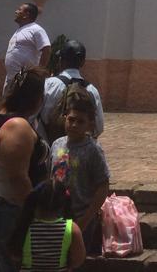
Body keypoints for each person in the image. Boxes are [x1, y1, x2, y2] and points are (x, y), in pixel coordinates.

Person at [0, 66, 50, 272]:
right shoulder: (17, 127)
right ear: (35, 98)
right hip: (5, 210)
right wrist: (37, 213)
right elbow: (18, 179)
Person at [49, 96, 111, 257]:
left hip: (82, 216)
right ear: (64, 118)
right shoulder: (56, 144)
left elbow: (103, 186)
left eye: (80, 121)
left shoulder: (93, 150)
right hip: (57, 215)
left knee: (77, 260)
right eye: (71, 119)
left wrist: (86, 219)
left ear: (90, 124)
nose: (74, 125)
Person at [8, 179, 86, 272]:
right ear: (63, 203)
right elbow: (78, 260)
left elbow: (15, 255)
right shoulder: (72, 229)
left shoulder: (25, 225)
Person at [37, 39, 104, 143]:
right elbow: (99, 127)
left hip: (50, 150)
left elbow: (36, 118)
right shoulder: (91, 90)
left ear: (60, 60)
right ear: (82, 62)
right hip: (81, 153)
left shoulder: (48, 84)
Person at [4, 3, 51, 95]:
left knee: (22, 107)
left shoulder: (36, 29)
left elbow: (47, 49)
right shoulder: (19, 30)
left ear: (27, 15)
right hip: (11, 78)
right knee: (9, 107)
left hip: (25, 80)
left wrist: (39, 72)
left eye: (19, 10)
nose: (16, 11)